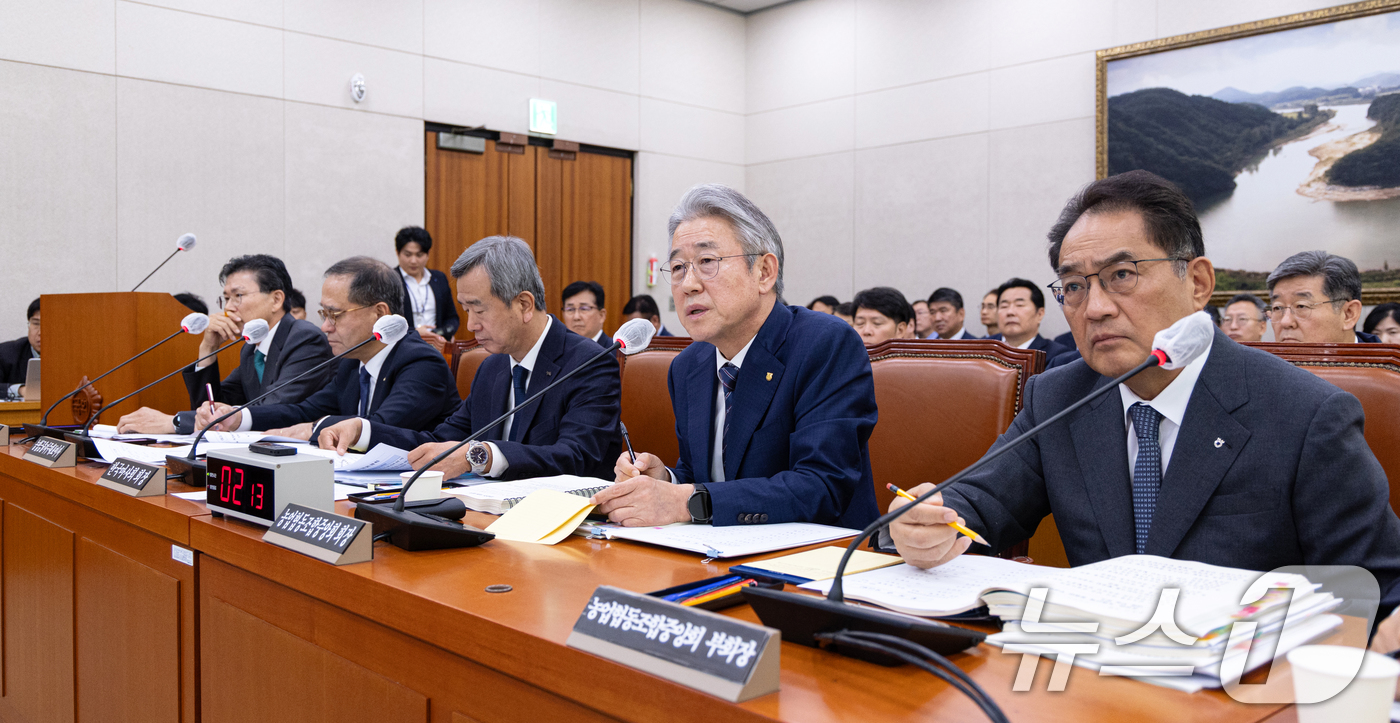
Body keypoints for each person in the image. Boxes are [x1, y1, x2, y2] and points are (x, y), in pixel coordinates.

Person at [886, 171, 1400, 617]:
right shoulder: (1060, 397)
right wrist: (929, 521)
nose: (1096, 308)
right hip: (1088, 675)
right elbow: (980, 497)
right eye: (1074, 287)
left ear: (1197, 282)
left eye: (1122, 275)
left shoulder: (1305, 414)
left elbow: (1375, 590)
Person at [598, 184, 879, 529]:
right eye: (678, 267)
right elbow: (704, 475)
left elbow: (821, 486)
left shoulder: (824, 345)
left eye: (706, 262)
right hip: (715, 556)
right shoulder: (689, 366)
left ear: (764, 272)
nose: (688, 284)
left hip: (816, 562)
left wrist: (685, 501)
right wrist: (666, 480)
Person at [319, 236, 621, 480]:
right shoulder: (493, 366)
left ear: (524, 304)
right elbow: (440, 441)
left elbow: (577, 456)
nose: (471, 325)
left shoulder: (588, 363)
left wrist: (480, 455)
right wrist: (364, 431)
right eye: (465, 310)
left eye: (479, 309)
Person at [196, 256, 457, 442]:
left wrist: (313, 428)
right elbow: (305, 410)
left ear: (379, 313)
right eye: (324, 313)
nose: (324, 327)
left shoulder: (421, 362)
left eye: (335, 314)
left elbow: (379, 426)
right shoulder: (352, 362)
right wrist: (239, 417)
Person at [118, 255, 333, 435]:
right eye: (226, 299)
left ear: (276, 300)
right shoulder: (251, 348)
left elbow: (273, 409)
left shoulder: (305, 338)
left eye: (238, 296)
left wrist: (175, 422)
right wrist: (208, 349)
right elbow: (210, 408)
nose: (229, 308)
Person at [1266, 250, 1376, 343]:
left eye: (1301, 306)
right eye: (1278, 308)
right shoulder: (1262, 367)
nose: (1285, 322)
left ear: (1348, 314)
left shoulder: (1387, 366)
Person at [395, 226, 460, 353]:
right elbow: (386, 323)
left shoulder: (439, 278)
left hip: (437, 348)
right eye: (407, 254)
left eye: (419, 255)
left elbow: (452, 317)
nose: (413, 261)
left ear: (428, 254)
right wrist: (415, 332)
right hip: (404, 348)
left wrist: (442, 333)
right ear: (398, 253)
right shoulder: (390, 280)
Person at [995, 277, 1072, 363]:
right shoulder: (982, 348)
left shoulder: (1058, 356)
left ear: (1040, 314)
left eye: (1019, 305)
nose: (1010, 312)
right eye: (1004, 306)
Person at [1, 298, 40, 399]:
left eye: (49, 325)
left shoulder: (74, 354)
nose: (40, 332)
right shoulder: (6, 354)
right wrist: (20, 390)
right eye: (36, 324)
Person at [562, 280, 611, 348]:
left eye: (584, 309)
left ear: (601, 315)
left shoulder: (618, 353)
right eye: (570, 309)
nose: (576, 317)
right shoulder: (558, 352)